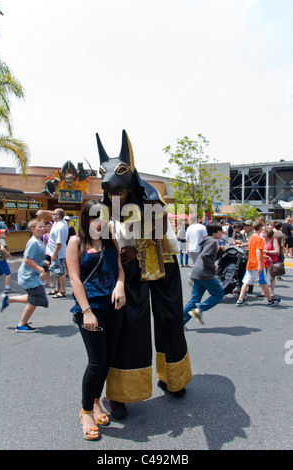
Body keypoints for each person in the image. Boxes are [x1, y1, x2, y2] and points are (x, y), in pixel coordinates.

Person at [96, 130, 192, 419]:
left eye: (119, 173)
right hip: (129, 267)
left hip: (163, 261)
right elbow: (101, 234)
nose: (111, 184)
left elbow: (159, 228)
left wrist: (135, 248)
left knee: (170, 319)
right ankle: (121, 394)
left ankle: (173, 379)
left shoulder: (151, 195)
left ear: (130, 171)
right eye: (105, 175)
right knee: (128, 324)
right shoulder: (107, 200)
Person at [66, 200, 125, 441]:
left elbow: (120, 269)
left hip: (114, 306)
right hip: (90, 309)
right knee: (96, 361)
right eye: (94, 218)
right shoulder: (76, 242)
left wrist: (120, 285)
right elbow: (74, 278)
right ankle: (86, 411)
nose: (99, 222)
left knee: (108, 358)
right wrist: (87, 311)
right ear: (85, 219)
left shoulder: (111, 240)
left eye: (103, 217)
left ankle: (95, 400)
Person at [0, 219, 49, 332]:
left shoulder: (39, 241)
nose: (42, 229)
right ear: (32, 229)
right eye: (39, 227)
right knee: (37, 298)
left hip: (31, 276)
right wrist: (41, 269)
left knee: (36, 297)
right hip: (28, 277)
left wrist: (43, 263)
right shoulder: (33, 242)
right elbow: (27, 260)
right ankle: (21, 325)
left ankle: (8, 300)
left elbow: (35, 258)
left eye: (43, 227)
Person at [183, 222, 225, 326]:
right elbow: (205, 257)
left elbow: (208, 256)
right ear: (216, 232)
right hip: (205, 273)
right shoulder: (212, 242)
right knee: (219, 294)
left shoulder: (206, 240)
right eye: (221, 231)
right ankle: (199, 309)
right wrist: (214, 267)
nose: (222, 234)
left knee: (194, 299)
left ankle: (179, 324)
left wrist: (220, 252)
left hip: (197, 272)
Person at [236, 220, 281, 307]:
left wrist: (263, 256)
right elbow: (257, 251)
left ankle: (240, 300)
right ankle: (270, 300)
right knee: (263, 282)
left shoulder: (252, 237)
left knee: (246, 282)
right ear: (260, 228)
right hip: (257, 264)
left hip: (250, 263)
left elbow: (251, 249)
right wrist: (260, 264)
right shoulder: (259, 239)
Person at [36, 208, 68, 298]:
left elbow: (59, 243)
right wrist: (42, 211)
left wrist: (54, 254)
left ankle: (62, 291)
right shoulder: (58, 222)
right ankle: (57, 289)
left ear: (57, 216)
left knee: (61, 272)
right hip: (54, 253)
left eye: (54, 214)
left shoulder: (60, 226)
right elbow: (52, 213)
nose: (52, 215)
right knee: (57, 272)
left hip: (58, 254)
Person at [261, 227, 280, 298]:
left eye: (264, 232)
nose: (263, 234)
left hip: (271, 261)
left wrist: (267, 252)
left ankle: (272, 292)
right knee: (263, 277)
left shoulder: (273, 240)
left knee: (271, 278)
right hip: (263, 261)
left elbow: (277, 251)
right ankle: (263, 291)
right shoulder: (263, 240)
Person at [0, 228, 14, 293]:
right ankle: (7, 288)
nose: (4, 234)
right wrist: (8, 253)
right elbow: (2, 248)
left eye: (4, 232)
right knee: (8, 273)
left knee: (0, 273)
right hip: (1, 260)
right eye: (2, 233)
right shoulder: (2, 240)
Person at [43, 220, 54, 287]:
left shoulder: (53, 235)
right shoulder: (45, 235)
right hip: (47, 252)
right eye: (47, 226)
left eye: (49, 226)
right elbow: (44, 244)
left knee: (51, 267)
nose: (48, 227)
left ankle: (52, 281)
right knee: (45, 267)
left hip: (52, 252)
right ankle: (46, 280)